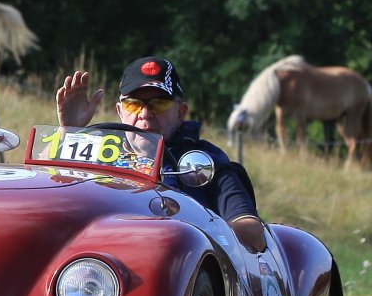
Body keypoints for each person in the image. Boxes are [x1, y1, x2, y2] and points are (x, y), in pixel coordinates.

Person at [56, 55, 267, 252]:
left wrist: (198, 233)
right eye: (133, 104)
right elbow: (53, 191)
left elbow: (252, 232)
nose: (145, 114)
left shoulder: (206, 161)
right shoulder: (97, 149)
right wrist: (69, 132)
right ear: (120, 111)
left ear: (180, 112)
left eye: (159, 103)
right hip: (98, 263)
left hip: (179, 263)